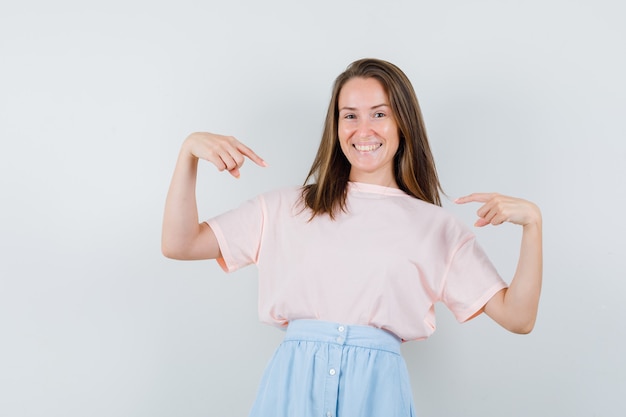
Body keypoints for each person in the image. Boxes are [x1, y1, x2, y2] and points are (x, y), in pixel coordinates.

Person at [161, 58, 542, 417]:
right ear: (336, 125)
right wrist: (188, 153)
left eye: (379, 114)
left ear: (403, 123)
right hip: (291, 390)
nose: (364, 130)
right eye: (350, 116)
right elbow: (181, 244)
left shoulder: (436, 228)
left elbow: (518, 318)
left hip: (378, 393)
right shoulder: (285, 208)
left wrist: (533, 225)